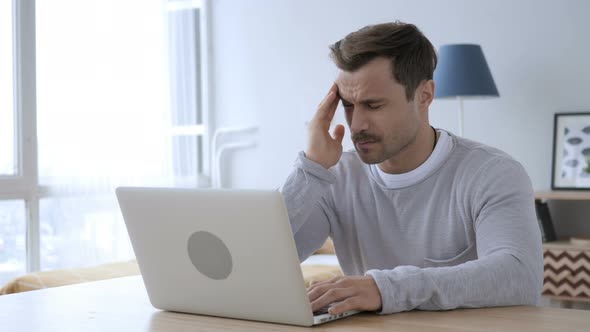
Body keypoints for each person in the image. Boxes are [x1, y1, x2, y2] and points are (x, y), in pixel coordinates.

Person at [280, 21, 543, 316]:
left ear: (425, 95)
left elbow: (520, 276)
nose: (356, 125)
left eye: (374, 105)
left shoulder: (492, 173)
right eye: (348, 105)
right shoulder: (335, 176)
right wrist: (311, 169)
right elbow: (264, 263)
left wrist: (385, 288)